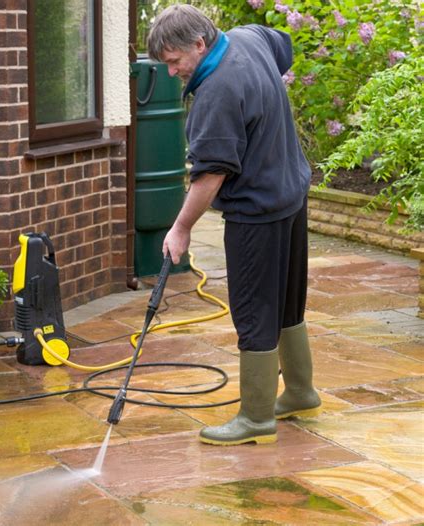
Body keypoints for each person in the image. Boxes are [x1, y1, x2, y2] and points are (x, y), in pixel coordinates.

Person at [147, 4, 321, 446]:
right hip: (290, 193)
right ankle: (300, 391)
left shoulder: (217, 92)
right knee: (287, 302)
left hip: (256, 212)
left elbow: (210, 174)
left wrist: (181, 227)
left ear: (200, 44)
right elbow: (284, 46)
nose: (172, 73)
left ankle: (256, 417)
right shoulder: (249, 38)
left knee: (254, 309)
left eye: (174, 62)